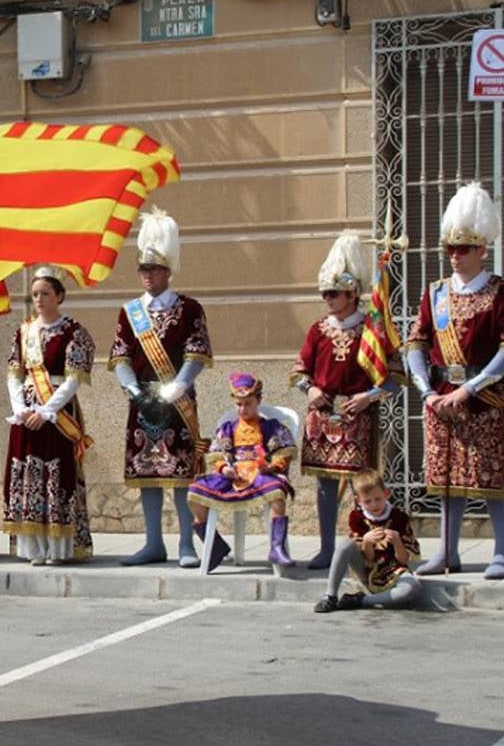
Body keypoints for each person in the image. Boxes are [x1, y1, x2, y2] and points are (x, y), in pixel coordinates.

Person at [405, 182, 504, 580]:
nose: (455, 256)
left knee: (493, 475)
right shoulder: (435, 293)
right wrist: (426, 390)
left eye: (463, 249)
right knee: (446, 476)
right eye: (450, 249)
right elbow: (417, 340)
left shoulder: (499, 292)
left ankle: (501, 550)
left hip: (485, 395)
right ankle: (447, 550)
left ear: (482, 250)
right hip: (442, 396)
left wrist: (471, 387)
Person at [108, 207, 211, 568]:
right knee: (148, 475)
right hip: (143, 402)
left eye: (153, 269)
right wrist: (133, 391)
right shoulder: (130, 311)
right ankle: (153, 542)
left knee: (181, 473)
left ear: (168, 271)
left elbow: (197, 351)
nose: (147, 276)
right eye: (142, 269)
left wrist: (180, 385)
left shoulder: (189, 308)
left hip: (177, 400)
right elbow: (120, 355)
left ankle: (186, 543)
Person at [291, 232, 398, 570]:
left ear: (352, 293)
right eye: (324, 293)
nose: (327, 298)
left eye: (333, 293)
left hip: (358, 416)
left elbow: (395, 379)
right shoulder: (317, 330)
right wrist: (309, 389)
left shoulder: (373, 330)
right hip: (322, 418)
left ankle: (363, 547)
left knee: (361, 488)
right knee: (324, 487)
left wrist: (368, 397)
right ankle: (325, 548)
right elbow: (298, 372)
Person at [2, 267, 95, 564]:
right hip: (27, 414)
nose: (39, 299)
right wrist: (21, 409)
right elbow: (14, 374)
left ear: (59, 296)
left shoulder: (74, 333)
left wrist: (47, 411)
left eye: (45, 293)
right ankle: (34, 549)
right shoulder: (24, 330)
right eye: (35, 294)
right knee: (28, 474)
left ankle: (59, 548)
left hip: (57, 412)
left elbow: (73, 379)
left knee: (58, 474)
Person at [187, 373, 297, 573]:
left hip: (260, 474)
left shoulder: (270, 427)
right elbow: (217, 455)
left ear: (258, 401)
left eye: (247, 404)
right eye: (238, 404)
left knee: (277, 493)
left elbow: (284, 453)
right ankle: (215, 547)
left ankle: (276, 547)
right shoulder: (228, 428)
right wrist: (224, 468)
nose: (242, 409)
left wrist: (271, 467)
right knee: (195, 492)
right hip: (233, 476)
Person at [314, 467, 421, 612]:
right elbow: (368, 558)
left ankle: (361, 600)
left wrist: (397, 543)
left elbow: (403, 561)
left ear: (386, 494)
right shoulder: (357, 517)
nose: (374, 505)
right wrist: (366, 542)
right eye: (368, 501)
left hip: (394, 571)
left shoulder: (399, 517)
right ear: (359, 501)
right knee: (346, 543)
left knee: (412, 588)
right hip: (367, 570)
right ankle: (330, 595)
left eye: (378, 499)